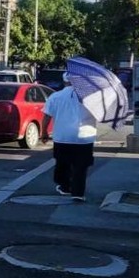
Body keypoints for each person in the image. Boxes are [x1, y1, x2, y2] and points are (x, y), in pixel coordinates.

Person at [41, 72, 98, 201]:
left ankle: (65, 186)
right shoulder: (90, 97)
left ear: (64, 81)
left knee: (63, 162)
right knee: (81, 166)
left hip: (63, 137)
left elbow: (46, 116)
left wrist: (43, 132)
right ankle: (78, 193)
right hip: (84, 137)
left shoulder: (55, 96)